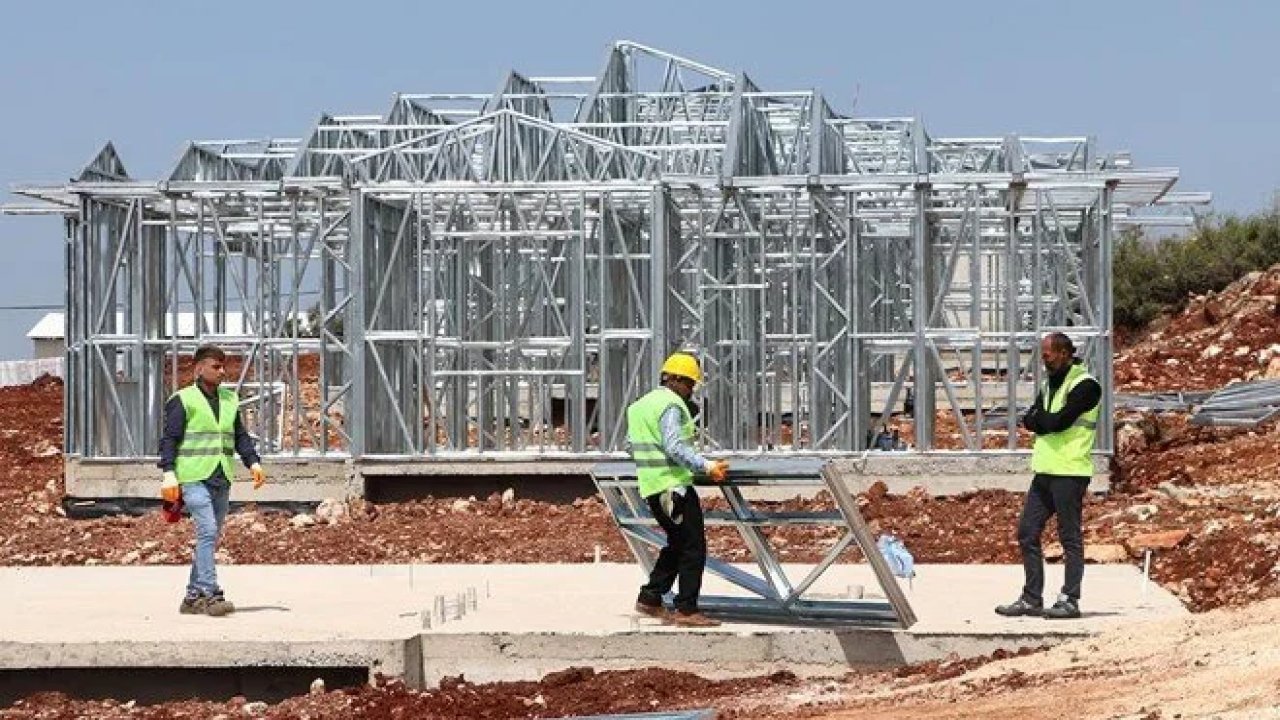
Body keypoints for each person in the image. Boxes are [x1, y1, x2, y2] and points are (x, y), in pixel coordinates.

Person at [996, 333, 1101, 620]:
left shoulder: (1086, 386)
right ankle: (1032, 597)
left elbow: (1057, 421)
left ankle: (1070, 598)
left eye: (1048, 354)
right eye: (1042, 354)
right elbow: (1031, 419)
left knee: (1069, 537)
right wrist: (1040, 421)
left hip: (1070, 471)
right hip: (1044, 470)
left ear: (1065, 353)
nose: (1044, 359)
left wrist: (1040, 422)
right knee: (1027, 532)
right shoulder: (1048, 385)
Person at [158, 345, 267, 616]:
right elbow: (169, 439)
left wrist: (252, 461)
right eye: (216, 367)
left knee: (211, 535)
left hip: (221, 476)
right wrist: (169, 472)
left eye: (223, 366)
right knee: (207, 531)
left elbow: (240, 435)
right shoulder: (182, 400)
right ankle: (210, 593)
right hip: (193, 477)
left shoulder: (230, 399)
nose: (222, 372)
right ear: (199, 369)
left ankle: (192, 597)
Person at [629, 352, 730, 628]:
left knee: (677, 543)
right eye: (688, 384)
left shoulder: (641, 405)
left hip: (652, 486)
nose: (690, 390)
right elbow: (674, 446)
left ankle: (650, 598)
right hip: (673, 488)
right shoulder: (670, 405)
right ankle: (687, 609)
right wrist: (706, 466)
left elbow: (633, 445)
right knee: (692, 547)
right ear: (674, 379)